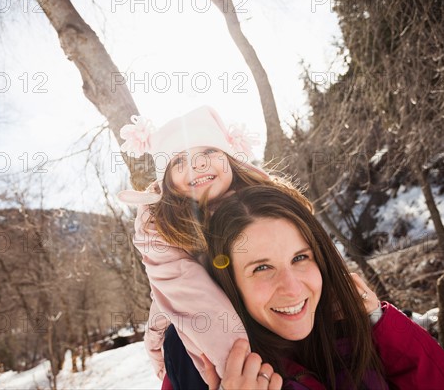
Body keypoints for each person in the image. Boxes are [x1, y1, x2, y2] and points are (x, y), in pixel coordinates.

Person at [200, 185, 444, 390]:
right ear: (230, 283)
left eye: (300, 257)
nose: (293, 289)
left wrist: (382, 328)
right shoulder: (202, 369)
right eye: (261, 268)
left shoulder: (355, 331)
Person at [117, 106, 306, 389]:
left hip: (279, 315)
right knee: (181, 344)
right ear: (165, 180)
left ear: (229, 158)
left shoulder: (265, 200)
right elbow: (196, 303)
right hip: (209, 346)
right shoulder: (160, 228)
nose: (198, 165)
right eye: (180, 160)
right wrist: (240, 373)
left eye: (208, 152)